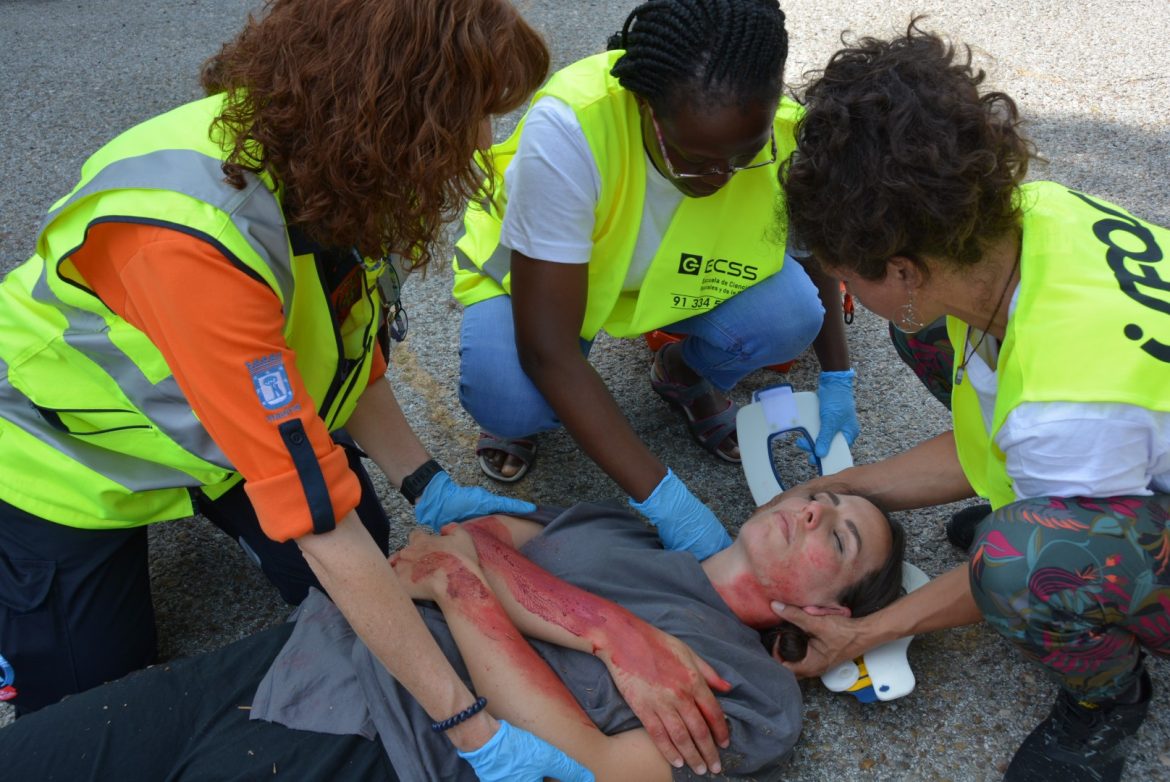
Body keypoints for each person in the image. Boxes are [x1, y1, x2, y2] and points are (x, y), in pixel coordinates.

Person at [0, 1, 615, 777]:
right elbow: (317, 523)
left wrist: (425, 484)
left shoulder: (331, 158)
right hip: (72, 458)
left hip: (217, 432)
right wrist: (470, 728)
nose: (483, 141)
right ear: (393, 106)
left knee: (366, 569)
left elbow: (347, 343)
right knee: (91, 708)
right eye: (469, 115)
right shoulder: (192, 237)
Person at [773, 21, 1170, 782]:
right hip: (1113, 428)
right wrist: (835, 485)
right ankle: (1050, 510)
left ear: (901, 269)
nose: (844, 293)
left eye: (847, 276)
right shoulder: (1032, 215)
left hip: (1104, 436)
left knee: (1018, 562)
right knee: (928, 337)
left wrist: (863, 636)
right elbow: (986, 430)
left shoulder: (1062, 405)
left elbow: (1039, 450)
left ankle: (1108, 700)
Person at [0, 491, 905, 780]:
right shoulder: (620, 527)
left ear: (831, 612)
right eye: (820, 497)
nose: (813, 511)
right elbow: (447, 537)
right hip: (293, 652)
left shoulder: (756, 693)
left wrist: (471, 591)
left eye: (839, 538)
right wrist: (600, 629)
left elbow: (589, 760)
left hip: (378, 747)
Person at [451, 0, 858, 560]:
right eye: (694, 159)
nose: (720, 178)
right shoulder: (570, 129)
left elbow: (813, 253)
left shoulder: (780, 130)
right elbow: (548, 349)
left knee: (794, 315)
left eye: (743, 158)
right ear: (646, 107)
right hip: (540, 291)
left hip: (672, 281)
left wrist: (838, 377)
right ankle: (529, 416)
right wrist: (666, 500)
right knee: (511, 398)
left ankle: (682, 371)